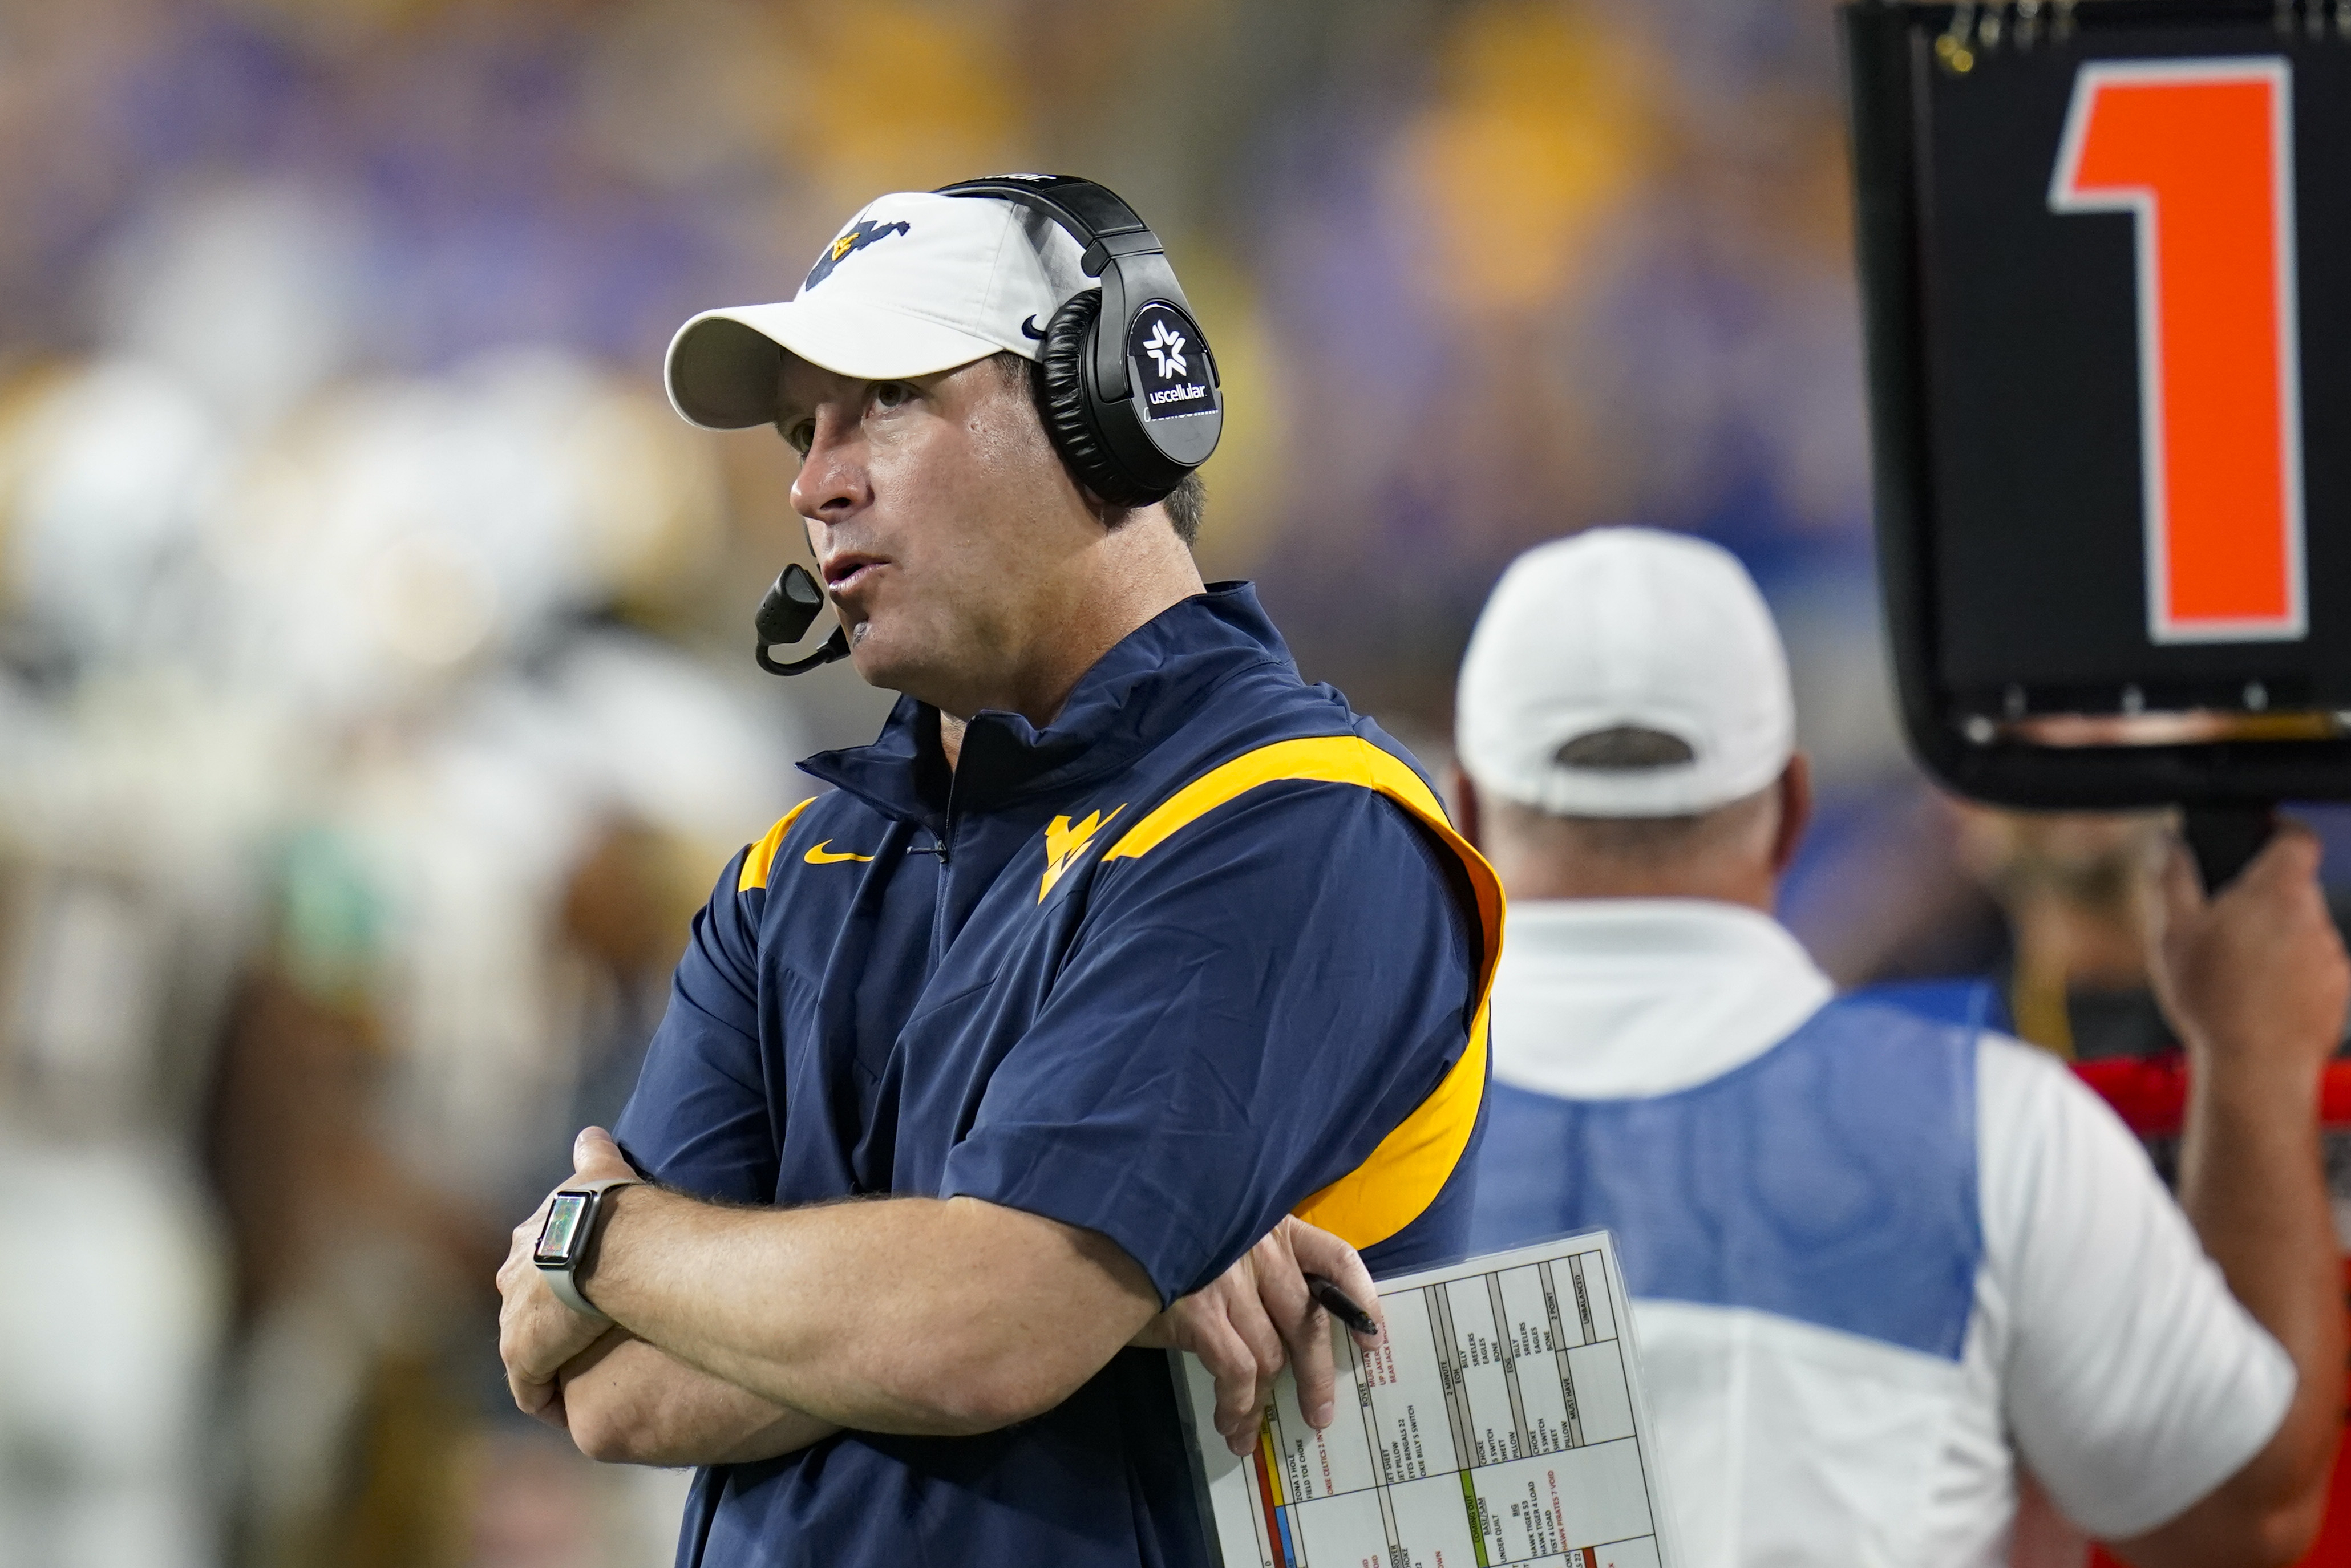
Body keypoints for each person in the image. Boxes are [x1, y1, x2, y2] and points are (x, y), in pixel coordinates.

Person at [493, 179, 1502, 1568]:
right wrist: (1087, 1292)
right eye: (803, 429)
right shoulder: (801, 868)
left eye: (888, 400)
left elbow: (981, 1335)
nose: (813, 482)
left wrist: (598, 1238)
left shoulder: (1300, 822)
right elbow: (608, 1389)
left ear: (1107, 409)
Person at [1454, 527, 2346, 1568]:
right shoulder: (1992, 1126)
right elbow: (2242, 1517)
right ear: (1792, 808)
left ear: (1465, 810)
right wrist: (2251, 1061)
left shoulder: (1303, 1153)